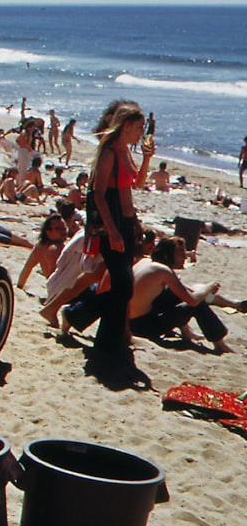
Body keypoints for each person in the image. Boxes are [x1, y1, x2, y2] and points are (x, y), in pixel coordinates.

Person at [84, 101, 155, 368]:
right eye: (139, 127)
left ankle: (98, 331)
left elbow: (137, 183)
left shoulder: (125, 150)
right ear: (126, 126)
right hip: (110, 225)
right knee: (123, 284)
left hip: (125, 223)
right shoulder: (110, 153)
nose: (141, 132)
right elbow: (99, 194)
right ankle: (104, 340)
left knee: (123, 284)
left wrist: (147, 158)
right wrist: (112, 230)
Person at [129, 236, 235, 353]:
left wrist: (206, 294)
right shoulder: (164, 271)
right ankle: (220, 345)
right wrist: (208, 288)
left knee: (173, 292)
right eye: (180, 253)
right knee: (197, 304)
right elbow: (193, 300)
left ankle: (187, 333)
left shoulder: (147, 261)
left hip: (128, 321)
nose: (185, 257)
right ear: (166, 256)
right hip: (143, 327)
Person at [17, 214, 69, 289]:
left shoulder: (40, 247)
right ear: (48, 232)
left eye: (64, 228)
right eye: (58, 229)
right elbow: (56, 277)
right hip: (62, 291)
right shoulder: (57, 249)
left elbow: (27, 268)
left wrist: (20, 286)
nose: (63, 231)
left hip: (53, 289)